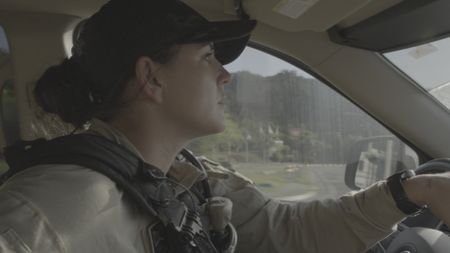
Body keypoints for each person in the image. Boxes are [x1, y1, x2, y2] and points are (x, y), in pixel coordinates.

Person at [1, 0, 450, 252]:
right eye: (207, 57)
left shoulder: (189, 179)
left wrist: (417, 191)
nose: (225, 75)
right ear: (151, 76)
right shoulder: (51, 208)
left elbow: (291, 231)